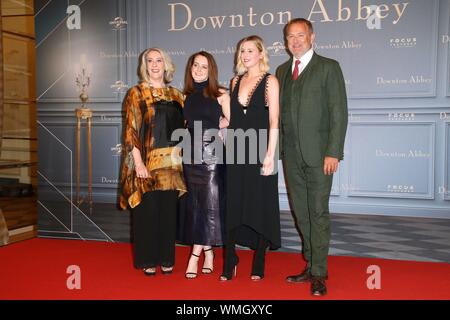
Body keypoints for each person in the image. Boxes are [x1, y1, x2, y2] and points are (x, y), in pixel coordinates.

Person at [276, 18, 348, 296]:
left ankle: (319, 272)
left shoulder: (329, 68)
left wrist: (333, 152)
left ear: (312, 37)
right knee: (301, 213)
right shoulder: (282, 71)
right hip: (291, 156)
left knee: (317, 212)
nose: (295, 40)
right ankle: (310, 263)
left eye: (300, 35)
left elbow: (338, 113)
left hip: (320, 156)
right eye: (290, 36)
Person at [119, 47, 186, 276]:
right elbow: (131, 130)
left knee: (167, 212)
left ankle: (167, 257)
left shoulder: (177, 95)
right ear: (144, 65)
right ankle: (148, 259)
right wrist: (138, 163)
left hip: (172, 164)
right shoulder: (136, 93)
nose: (155, 65)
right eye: (150, 61)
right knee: (147, 212)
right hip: (146, 161)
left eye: (159, 60)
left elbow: (186, 128)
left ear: (166, 65)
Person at [220, 35, 281, 281]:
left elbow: (274, 120)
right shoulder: (234, 82)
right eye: (242, 51)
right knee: (233, 203)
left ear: (260, 54)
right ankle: (229, 259)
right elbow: (234, 118)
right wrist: (221, 123)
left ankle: (259, 258)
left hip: (260, 151)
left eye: (250, 51)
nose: (245, 55)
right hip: (236, 150)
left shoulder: (270, 81)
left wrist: (270, 155)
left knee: (261, 202)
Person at [179, 51, 230, 279]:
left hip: (212, 153)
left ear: (211, 71)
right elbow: (185, 124)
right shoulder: (186, 96)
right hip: (190, 153)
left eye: (204, 66)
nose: (199, 70)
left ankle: (195, 256)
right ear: (190, 69)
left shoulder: (221, 94)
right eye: (195, 66)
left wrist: (219, 125)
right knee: (195, 205)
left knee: (209, 205)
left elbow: (232, 120)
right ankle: (209, 252)